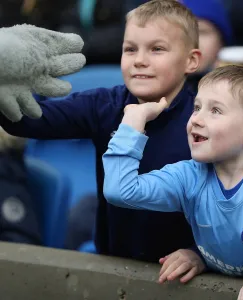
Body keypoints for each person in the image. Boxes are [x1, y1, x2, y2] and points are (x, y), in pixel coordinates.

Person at [0, 0, 206, 283]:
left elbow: (233, 198)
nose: (139, 59)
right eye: (130, 49)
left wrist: (199, 253)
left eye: (157, 49)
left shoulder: (205, 118)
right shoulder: (104, 104)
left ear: (191, 61)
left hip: (189, 277)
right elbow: (25, 120)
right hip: (114, 267)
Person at [102, 38, 243, 299]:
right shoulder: (188, 176)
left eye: (215, 110)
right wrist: (132, 122)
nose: (197, 119)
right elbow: (121, 191)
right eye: (197, 108)